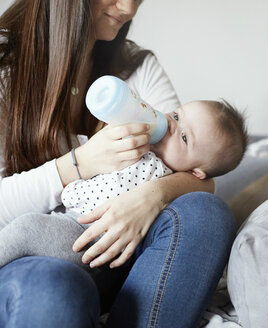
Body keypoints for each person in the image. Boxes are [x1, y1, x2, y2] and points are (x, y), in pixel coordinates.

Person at [0, 0, 244, 327]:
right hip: (51, 254)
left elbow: (201, 172)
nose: (128, 7)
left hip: (132, 260)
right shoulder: (7, 65)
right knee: (55, 289)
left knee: (207, 212)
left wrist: (147, 198)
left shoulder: (138, 65)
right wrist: (80, 163)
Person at [0, 99, 247, 271]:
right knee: (27, 226)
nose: (171, 125)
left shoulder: (164, 174)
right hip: (67, 217)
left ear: (195, 171)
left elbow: (206, 187)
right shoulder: (141, 140)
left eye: (184, 137)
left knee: (27, 228)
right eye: (176, 115)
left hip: (87, 237)